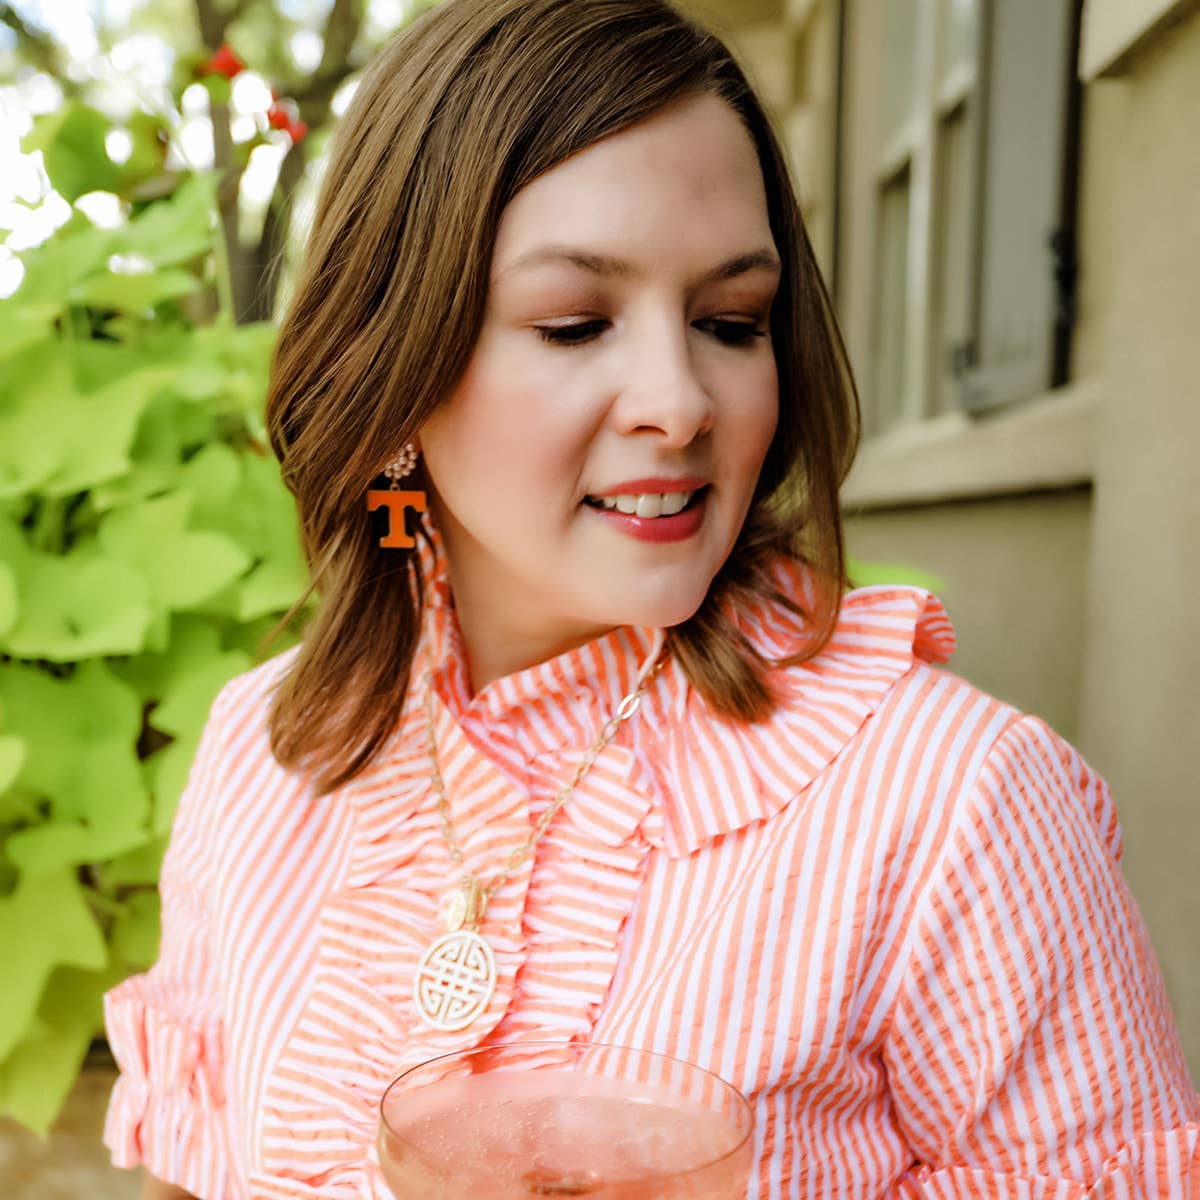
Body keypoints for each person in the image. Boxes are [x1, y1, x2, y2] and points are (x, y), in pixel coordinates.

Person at [103, 0, 1200, 1196]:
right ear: (393, 366)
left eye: (732, 322)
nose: (680, 402)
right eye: (575, 324)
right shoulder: (269, 758)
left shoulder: (949, 804)